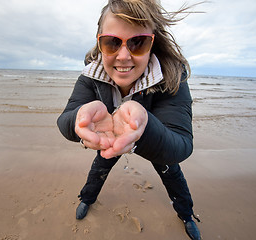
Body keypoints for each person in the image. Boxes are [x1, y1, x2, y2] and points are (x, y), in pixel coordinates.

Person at [57, 0, 201, 239]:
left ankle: (186, 214)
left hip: (154, 139)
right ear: (99, 42)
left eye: (137, 42)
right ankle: (87, 199)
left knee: (172, 174)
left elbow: (181, 144)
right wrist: (79, 120)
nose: (123, 56)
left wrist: (145, 125)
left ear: (152, 43)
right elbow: (65, 120)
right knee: (99, 167)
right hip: (109, 138)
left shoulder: (171, 78)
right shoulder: (91, 76)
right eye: (112, 42)